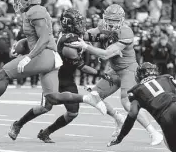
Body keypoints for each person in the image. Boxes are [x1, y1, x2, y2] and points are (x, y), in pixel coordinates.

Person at [0, 0, 106, 121]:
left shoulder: (35, 11)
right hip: (49, 56)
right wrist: (22, 44)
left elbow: (43, 38)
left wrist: (29, 57)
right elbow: (37, 37)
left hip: (44, 55)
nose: (18, 0)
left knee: (4, 74)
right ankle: (88, 99)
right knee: (53, 97)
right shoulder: (31, 12)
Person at [8, 8, 113, 142]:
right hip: (55, 77)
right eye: (78, 22)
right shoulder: (68, 44)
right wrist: (100, 74)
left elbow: (91, 35)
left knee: (72, 113)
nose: (81, 25)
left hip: (68, 78)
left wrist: (108, 34)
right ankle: (18, 124)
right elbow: (83, 67)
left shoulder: (73, 35)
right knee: (45, 107)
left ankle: (46, 132)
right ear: (70, 24)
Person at [67, 4, 163, 145]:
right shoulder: (102, 26)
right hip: (114, 70)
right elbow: (89, 34)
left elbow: (106, 54)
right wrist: (73, 34)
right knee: (93, 96)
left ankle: (154, 133)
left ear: (122, 20)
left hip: (129, 70)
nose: (111, 24)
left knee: (127, 103)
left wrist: (85, 46)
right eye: (109, 20)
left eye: (115, 20)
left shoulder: (126, 32)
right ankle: (118, 118)